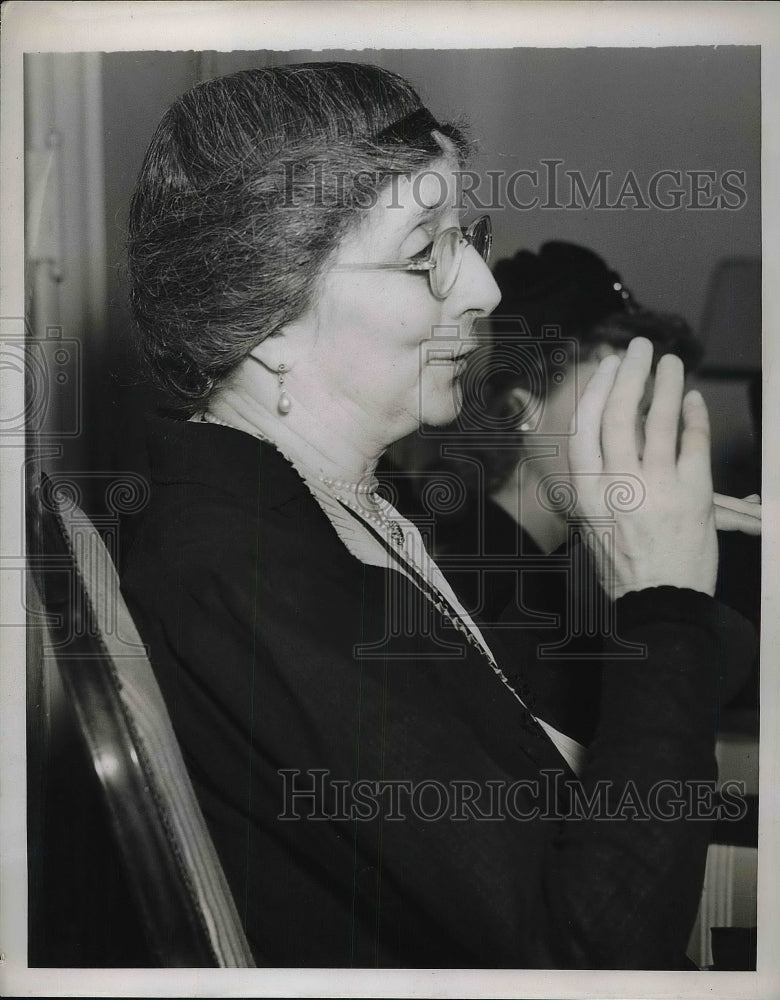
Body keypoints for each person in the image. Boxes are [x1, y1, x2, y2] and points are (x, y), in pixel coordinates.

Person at [120, 63, 750, 969]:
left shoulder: (336, 516)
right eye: (425, 254)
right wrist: (662, 603)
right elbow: (592, 958)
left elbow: (509, 767)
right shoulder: (251, 572)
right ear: (263, 310)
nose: (485, 292)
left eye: (468, 238)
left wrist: (672, 563)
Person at [378, 242, 757, 745]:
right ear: (519, 410)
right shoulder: (470, 575)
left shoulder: (542, 571)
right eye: (619, 403)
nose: (647, 437)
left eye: (648, 410)